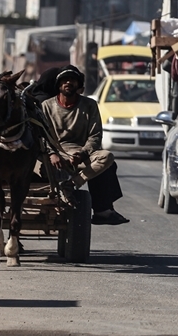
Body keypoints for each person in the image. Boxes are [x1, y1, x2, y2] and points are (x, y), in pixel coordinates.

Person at [40, 65, 129, 225]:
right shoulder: (47, 105)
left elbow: (95, 136)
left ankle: (71, 185)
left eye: (72, 80)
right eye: (65, 80)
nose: (68, 83)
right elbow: (41, 135)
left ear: (79, 85)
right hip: (54, 154)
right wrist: (51, 153)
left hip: (81, 153)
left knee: (107, 157)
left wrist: (82, 154)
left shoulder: (89, 105)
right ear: (59, 85)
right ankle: (104, 210)